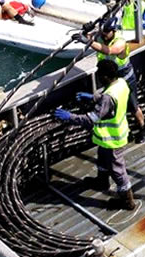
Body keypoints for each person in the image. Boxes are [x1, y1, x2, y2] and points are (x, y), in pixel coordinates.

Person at [53, 59, 137, 211]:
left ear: (105, 76)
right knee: (103, 158)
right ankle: (101, 181)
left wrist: (69, 117)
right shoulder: (121, 84)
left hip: (112, 140)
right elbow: (112, 101)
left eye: (99, 74)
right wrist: (92, 97)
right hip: (110, 137)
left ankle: (128, 201)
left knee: (118, 171)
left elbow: (90, 119)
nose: (98, 76)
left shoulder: (108, 97)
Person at [78, 15, 145, 143]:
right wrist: (85, 31)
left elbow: (110, 50)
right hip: (109, 80)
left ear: (113, 30)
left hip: (125, 78)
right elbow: (85, 37)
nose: (104, 36)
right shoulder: (100, 35)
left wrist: (89, 41)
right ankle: (127, 130)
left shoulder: (120, 40)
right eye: (102, 32)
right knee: (115, 107)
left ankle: (143, 127)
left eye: (107, 33)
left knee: (133, 106)